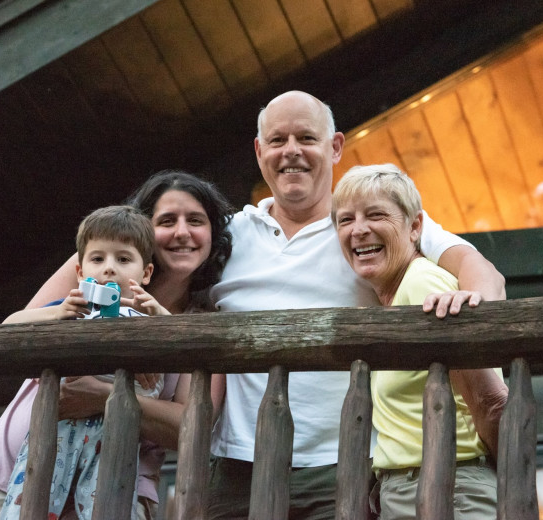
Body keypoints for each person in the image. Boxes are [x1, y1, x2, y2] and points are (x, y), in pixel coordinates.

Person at [206, 90, 506, 519]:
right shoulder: (229, 235)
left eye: (306, 137)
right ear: (259, 151)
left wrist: (468, 305)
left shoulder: (367, 224)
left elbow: (482, 272)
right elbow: (124, 257)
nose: (291, 151)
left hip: (346, 461)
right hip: (240, 463)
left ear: (335, 147)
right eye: (277, 140)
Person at [0, 170, 233, 520]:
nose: (181, 232)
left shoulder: (200, 320)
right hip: (18, 474)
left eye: (195, 220)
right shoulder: (95, 269)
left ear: (212, 233)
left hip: (113, 484)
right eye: (166, 221)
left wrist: (102, 395)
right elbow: (12, 334)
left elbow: (193, 427)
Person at [332, 163, 508, 519]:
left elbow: (490, 401)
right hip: (417, 491)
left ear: (415, 227)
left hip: (452, 490)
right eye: (345, 220)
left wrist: (510, 480)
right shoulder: (395, 296)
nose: (359, 230)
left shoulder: (423, 285)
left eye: (376, 215)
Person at [0, 204, 168, 520]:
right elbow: (8, 327)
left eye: (124, 259)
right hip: (56, 429)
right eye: (98, 259)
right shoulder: (70, 310)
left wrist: (161, 316)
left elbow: (181, 344)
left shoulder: (145, 316)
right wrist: (55, 312)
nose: (109, 268)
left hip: (114, 430)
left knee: (107, 505)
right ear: (80, 271)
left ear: (145, 273)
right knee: (31, 502)